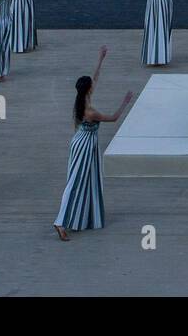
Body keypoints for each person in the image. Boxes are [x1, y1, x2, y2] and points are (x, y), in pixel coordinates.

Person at [53, 49, 133, 240]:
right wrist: (125, 102)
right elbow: (113, 118)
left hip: (84, 142)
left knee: (85, 180)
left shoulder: (83, 99)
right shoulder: (89, 111)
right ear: (87, 89)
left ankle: (80, 217)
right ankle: (60, 221)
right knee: (75, 182)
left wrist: (100, 58)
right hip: (84, 146)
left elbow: (95, 77)